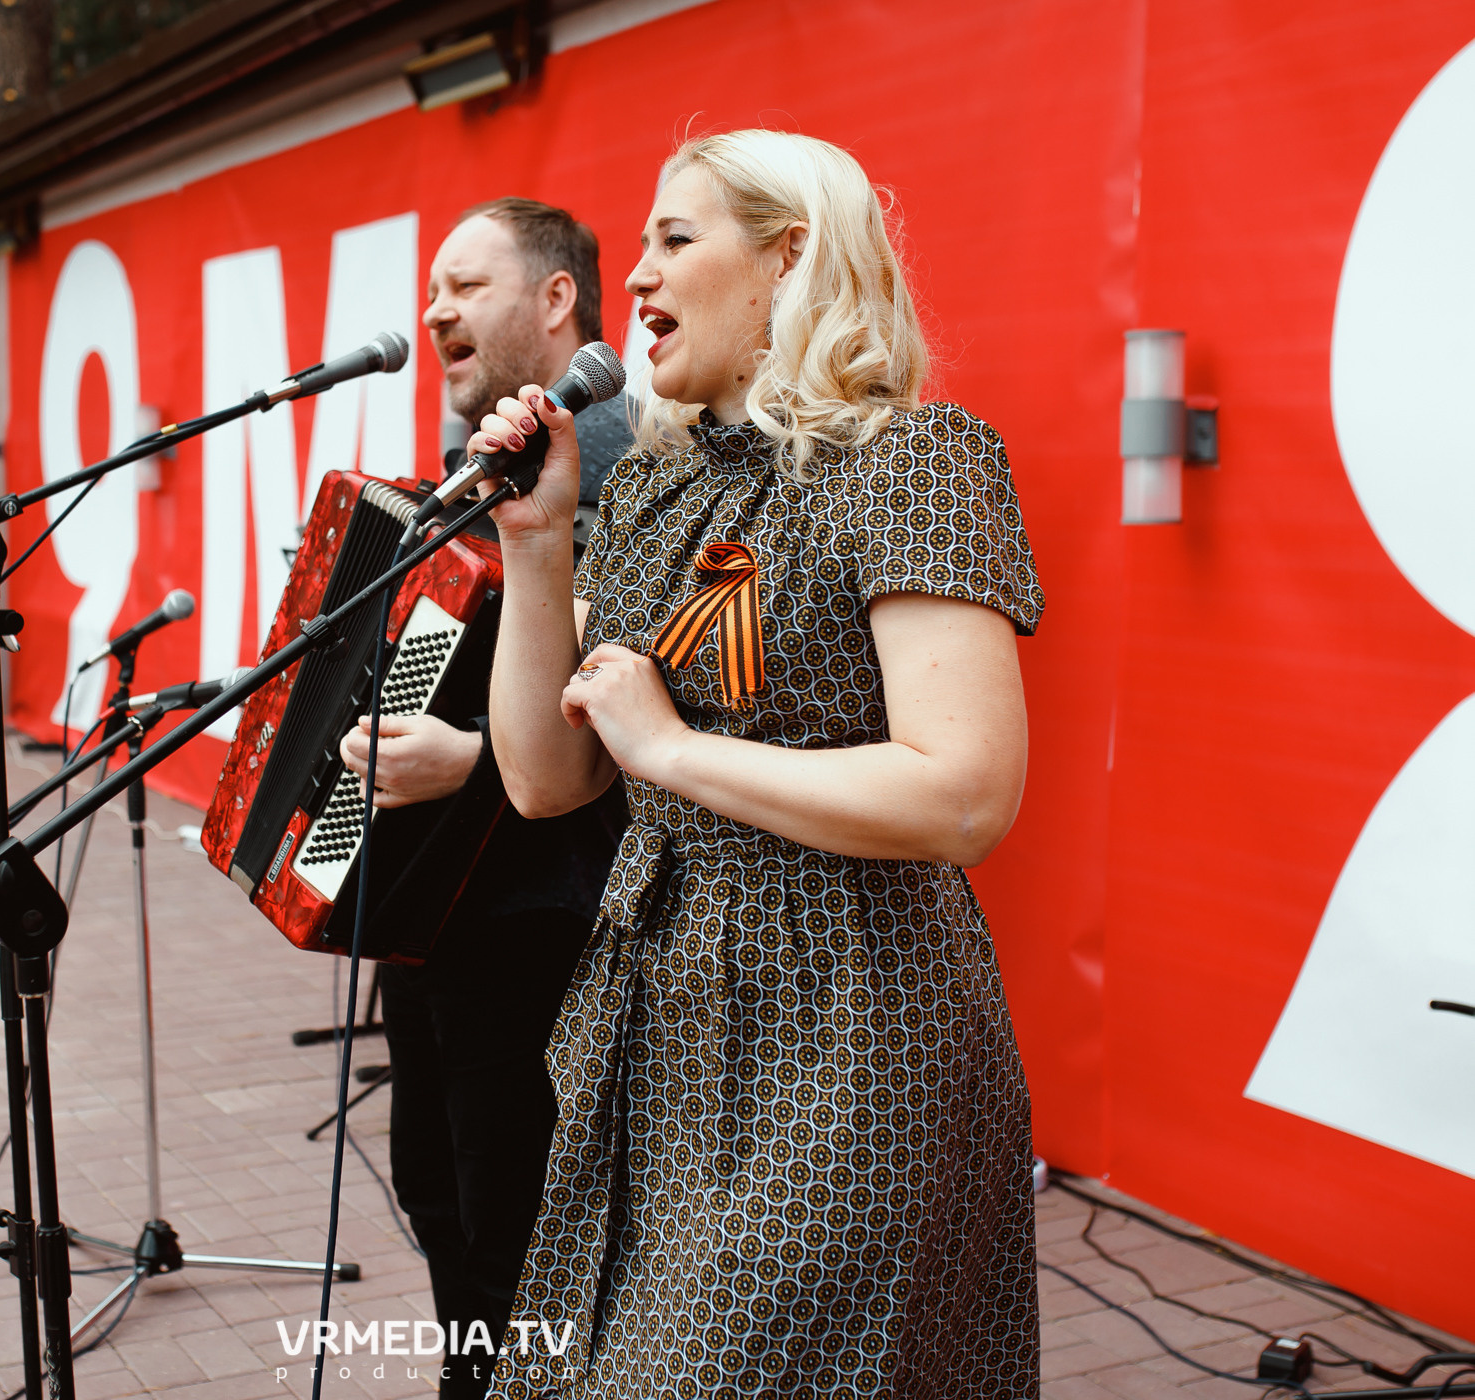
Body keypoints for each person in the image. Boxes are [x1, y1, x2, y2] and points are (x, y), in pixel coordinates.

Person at [477, 131, 1045, 1397]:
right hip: (663, 1016)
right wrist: (538, 540)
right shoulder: (648, 494)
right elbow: (545, 780)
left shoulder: (908, 460)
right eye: (638, 245)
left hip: (850, 1020)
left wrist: (676, 752)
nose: (635, 276)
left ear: (791, 257)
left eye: (676, 240)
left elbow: (965, 793)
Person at [333, 197, 631, 1400]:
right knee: (448, 1208)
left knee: (525, 1252)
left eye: (465, 285)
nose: (435, 309)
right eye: (430, 291)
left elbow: (662, 729)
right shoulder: (474, 476)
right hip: (438, 923)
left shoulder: (622, 464)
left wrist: (470, 760)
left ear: (556, 299)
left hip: (543, 928)